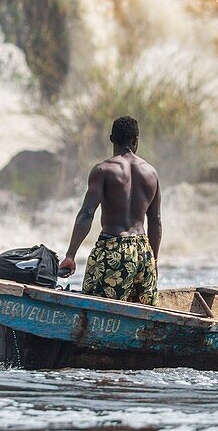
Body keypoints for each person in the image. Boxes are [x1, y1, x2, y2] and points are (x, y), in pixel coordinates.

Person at [58, 116, 161, 305]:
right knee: (143, 311)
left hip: (114, 250)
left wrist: (70, 255)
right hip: (143, 251)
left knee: (95, 307)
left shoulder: (103, 170)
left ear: (111, 138)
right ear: (136, 140)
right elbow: (155, 220)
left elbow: (87, 213)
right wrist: (153, 260)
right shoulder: (151, 173)